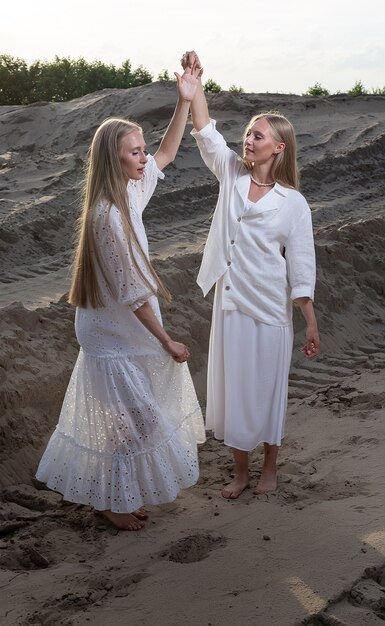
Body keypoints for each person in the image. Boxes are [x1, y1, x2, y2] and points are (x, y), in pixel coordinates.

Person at [36, 63, 205, 531]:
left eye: (141, 150)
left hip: (124, 325)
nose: (144, 158)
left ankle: (115, 495)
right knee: (143, 421)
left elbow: (168, 151)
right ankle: (110, 500)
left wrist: (185, 99)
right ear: (115, 159)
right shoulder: (107, 217)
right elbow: (133, 294)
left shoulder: (131, 192)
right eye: (135, 152)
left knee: (131, 421)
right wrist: (167, 340)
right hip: (112, 332)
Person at [181, 51, 320, 498]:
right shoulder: (231, 176)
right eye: (247, 134)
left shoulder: (293, 203)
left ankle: (269, 468)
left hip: (271, 305)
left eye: (257, 136)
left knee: (267, 389)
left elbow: (301, 262)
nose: (248, 140)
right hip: (233, 301)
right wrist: (195, 87)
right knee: (235, 390)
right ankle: (240, 473)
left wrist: (309, 317)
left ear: (278, 147)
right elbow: (206, 133)